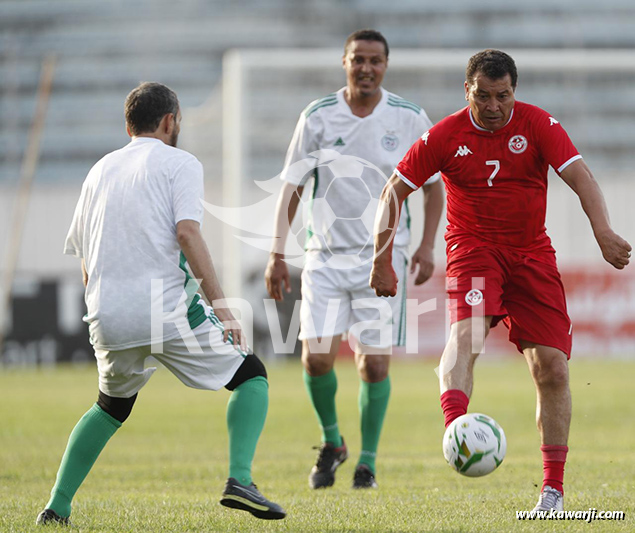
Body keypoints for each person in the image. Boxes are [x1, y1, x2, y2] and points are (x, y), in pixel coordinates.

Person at [370, 49, 631, 511]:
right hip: (472, 249)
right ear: (466, 91)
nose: (493, 106)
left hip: (532, 254)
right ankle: (456, 427)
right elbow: (395, 190)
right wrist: (381, 259)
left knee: (551, 367)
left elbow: (581, 177)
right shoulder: (446, 135)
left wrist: (603, 231)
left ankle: (552, 491)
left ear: (515, 91)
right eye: (483, 96)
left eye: (503, 96)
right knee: (466, 334)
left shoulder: (537, 125)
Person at [36, 82, 285, 525]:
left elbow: (85, 259)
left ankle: (57, 506)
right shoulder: (180, 162)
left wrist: (104, 308)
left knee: (109, 408)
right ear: (170, 121)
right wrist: (224, 308)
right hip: (165, 308)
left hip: (106, 313)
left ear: (127, 125)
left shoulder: (100, 169)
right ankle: (240, 480)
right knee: (251, 376)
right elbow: (187, 233)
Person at [265, 29, 444, 490]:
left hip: (383, 258)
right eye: (358, 59)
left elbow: (432, 187)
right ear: (344, 62)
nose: (366, 68)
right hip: (324, 255)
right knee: (316, 360)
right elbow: (293, 186)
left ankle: (367, 461)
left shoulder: (407, 117)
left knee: (374, 366)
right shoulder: (318, 117)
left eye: (375, 61)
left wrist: (425, 246)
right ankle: (332, 441)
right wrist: (276, 253)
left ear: (386, 65)